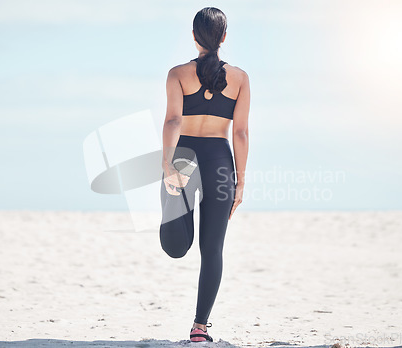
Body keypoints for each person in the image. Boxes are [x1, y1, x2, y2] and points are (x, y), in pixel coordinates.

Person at [159, 6, 250, 343]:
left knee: (176, 247)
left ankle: (172, 209)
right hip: (220, 161)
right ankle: (200, 328)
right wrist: (241, 180)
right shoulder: (240, 79)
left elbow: (172, 121)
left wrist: (167, 163)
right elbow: (240, 133)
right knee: (212, 249)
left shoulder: (178, 74)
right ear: (224, 38)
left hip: (183, 158)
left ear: (194, 36)